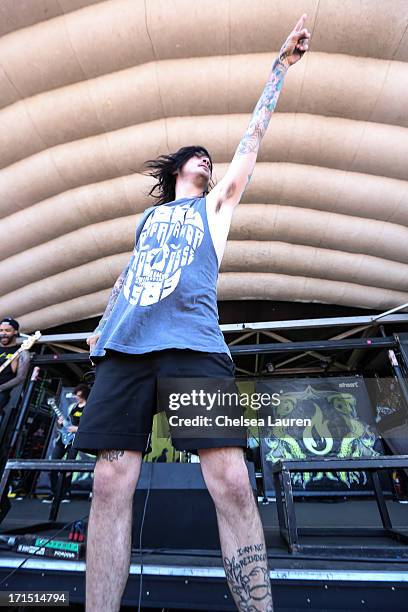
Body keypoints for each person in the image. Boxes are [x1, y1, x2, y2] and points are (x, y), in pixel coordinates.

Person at [74, 15, 310, 612]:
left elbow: (251, 147)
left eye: (211, 159)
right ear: (179, 168)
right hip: (127, 350)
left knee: (230, 480)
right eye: (198, 157)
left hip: (196, 345)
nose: (207, 161)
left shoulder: (217, 209)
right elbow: (131, 278)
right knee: (109, 483)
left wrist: (278, 69)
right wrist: (102, 329)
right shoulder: (148, 220)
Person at [44, 384, 89, 503]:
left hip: (74, 441)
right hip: (63, 439)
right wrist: (60, 423)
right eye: (75, 395)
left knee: (69, 467)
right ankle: (54, 492)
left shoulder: (89, 408)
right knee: (53, 463)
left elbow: (90, 427)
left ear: (84, 395)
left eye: (78, 395)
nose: (76, 397)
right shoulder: (74, 407)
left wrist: (77, 429)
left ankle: (65, 493)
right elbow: (66, 424)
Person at [0, 317, 30, 420]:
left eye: (7, 330)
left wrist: (1, 387)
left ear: (15, 332)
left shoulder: (21, 353)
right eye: (1, 330)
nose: (3, 333)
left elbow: (20, 378)